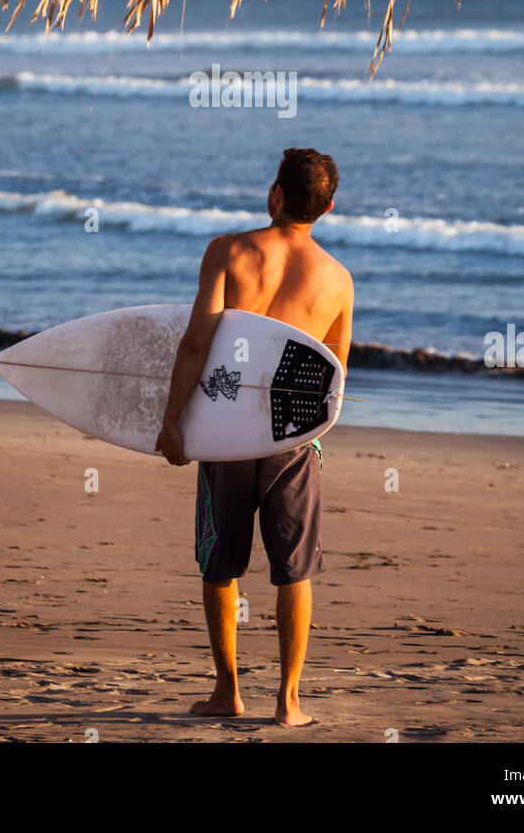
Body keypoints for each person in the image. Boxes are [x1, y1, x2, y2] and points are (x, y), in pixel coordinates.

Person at [155, 148, 354, 727]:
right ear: (328, 208)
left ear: (274, 194)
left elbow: (197, 342)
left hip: (225, 431)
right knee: (296, 568)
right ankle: (289, 703)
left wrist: (172, 422)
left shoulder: (229, 251)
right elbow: (333, 373)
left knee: (221, 564)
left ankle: (227, 692)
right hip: (293, 437)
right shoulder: (338, 280)